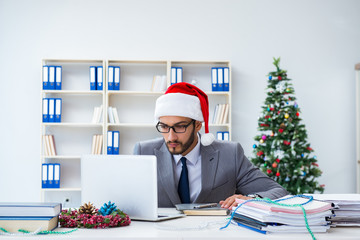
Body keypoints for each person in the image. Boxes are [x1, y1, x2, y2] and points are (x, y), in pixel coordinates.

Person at [133, 82, 288, 208]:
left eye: (180, 126)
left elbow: (278, 192)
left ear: (198, 125)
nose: (171, 136)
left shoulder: (230, 153)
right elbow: (128, 199)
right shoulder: (143, 151)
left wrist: (249, 199)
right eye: (164, 127)